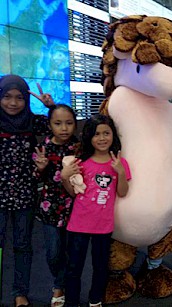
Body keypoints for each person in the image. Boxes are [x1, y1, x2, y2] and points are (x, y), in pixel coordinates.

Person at [61, 114, 131, 307]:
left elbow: (123, 193)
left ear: (113, 135)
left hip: (103, 226)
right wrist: (66, 178)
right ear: (89, 137)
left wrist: (121, 173)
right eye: (96, 134)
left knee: (100, 267)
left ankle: (95, 300)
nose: (102, 138)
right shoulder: (80, 162)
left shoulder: (120, 163)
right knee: (74, 268)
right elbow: (73, 193)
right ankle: (71, 302)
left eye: (106, 133)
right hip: (78, 225)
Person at [0, 74, 55, 307]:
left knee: (23, 246)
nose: (13, 103)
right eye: (7, 97)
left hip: (25, 196)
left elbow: (60, 125)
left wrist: (51, 107)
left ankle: (20, 292)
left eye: (19, 98)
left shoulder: (33, 122)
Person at [33, 104, 79, 307]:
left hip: (74, 207)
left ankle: (65, 285)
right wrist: (40, 169)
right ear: (49, 125)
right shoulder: (44, 146)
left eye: (69, 123)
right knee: (53, 252)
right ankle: (58, 282)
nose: (63, 128)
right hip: (49, 208)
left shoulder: (78, 146)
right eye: (58, 123)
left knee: (71, 251)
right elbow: (36, 177)